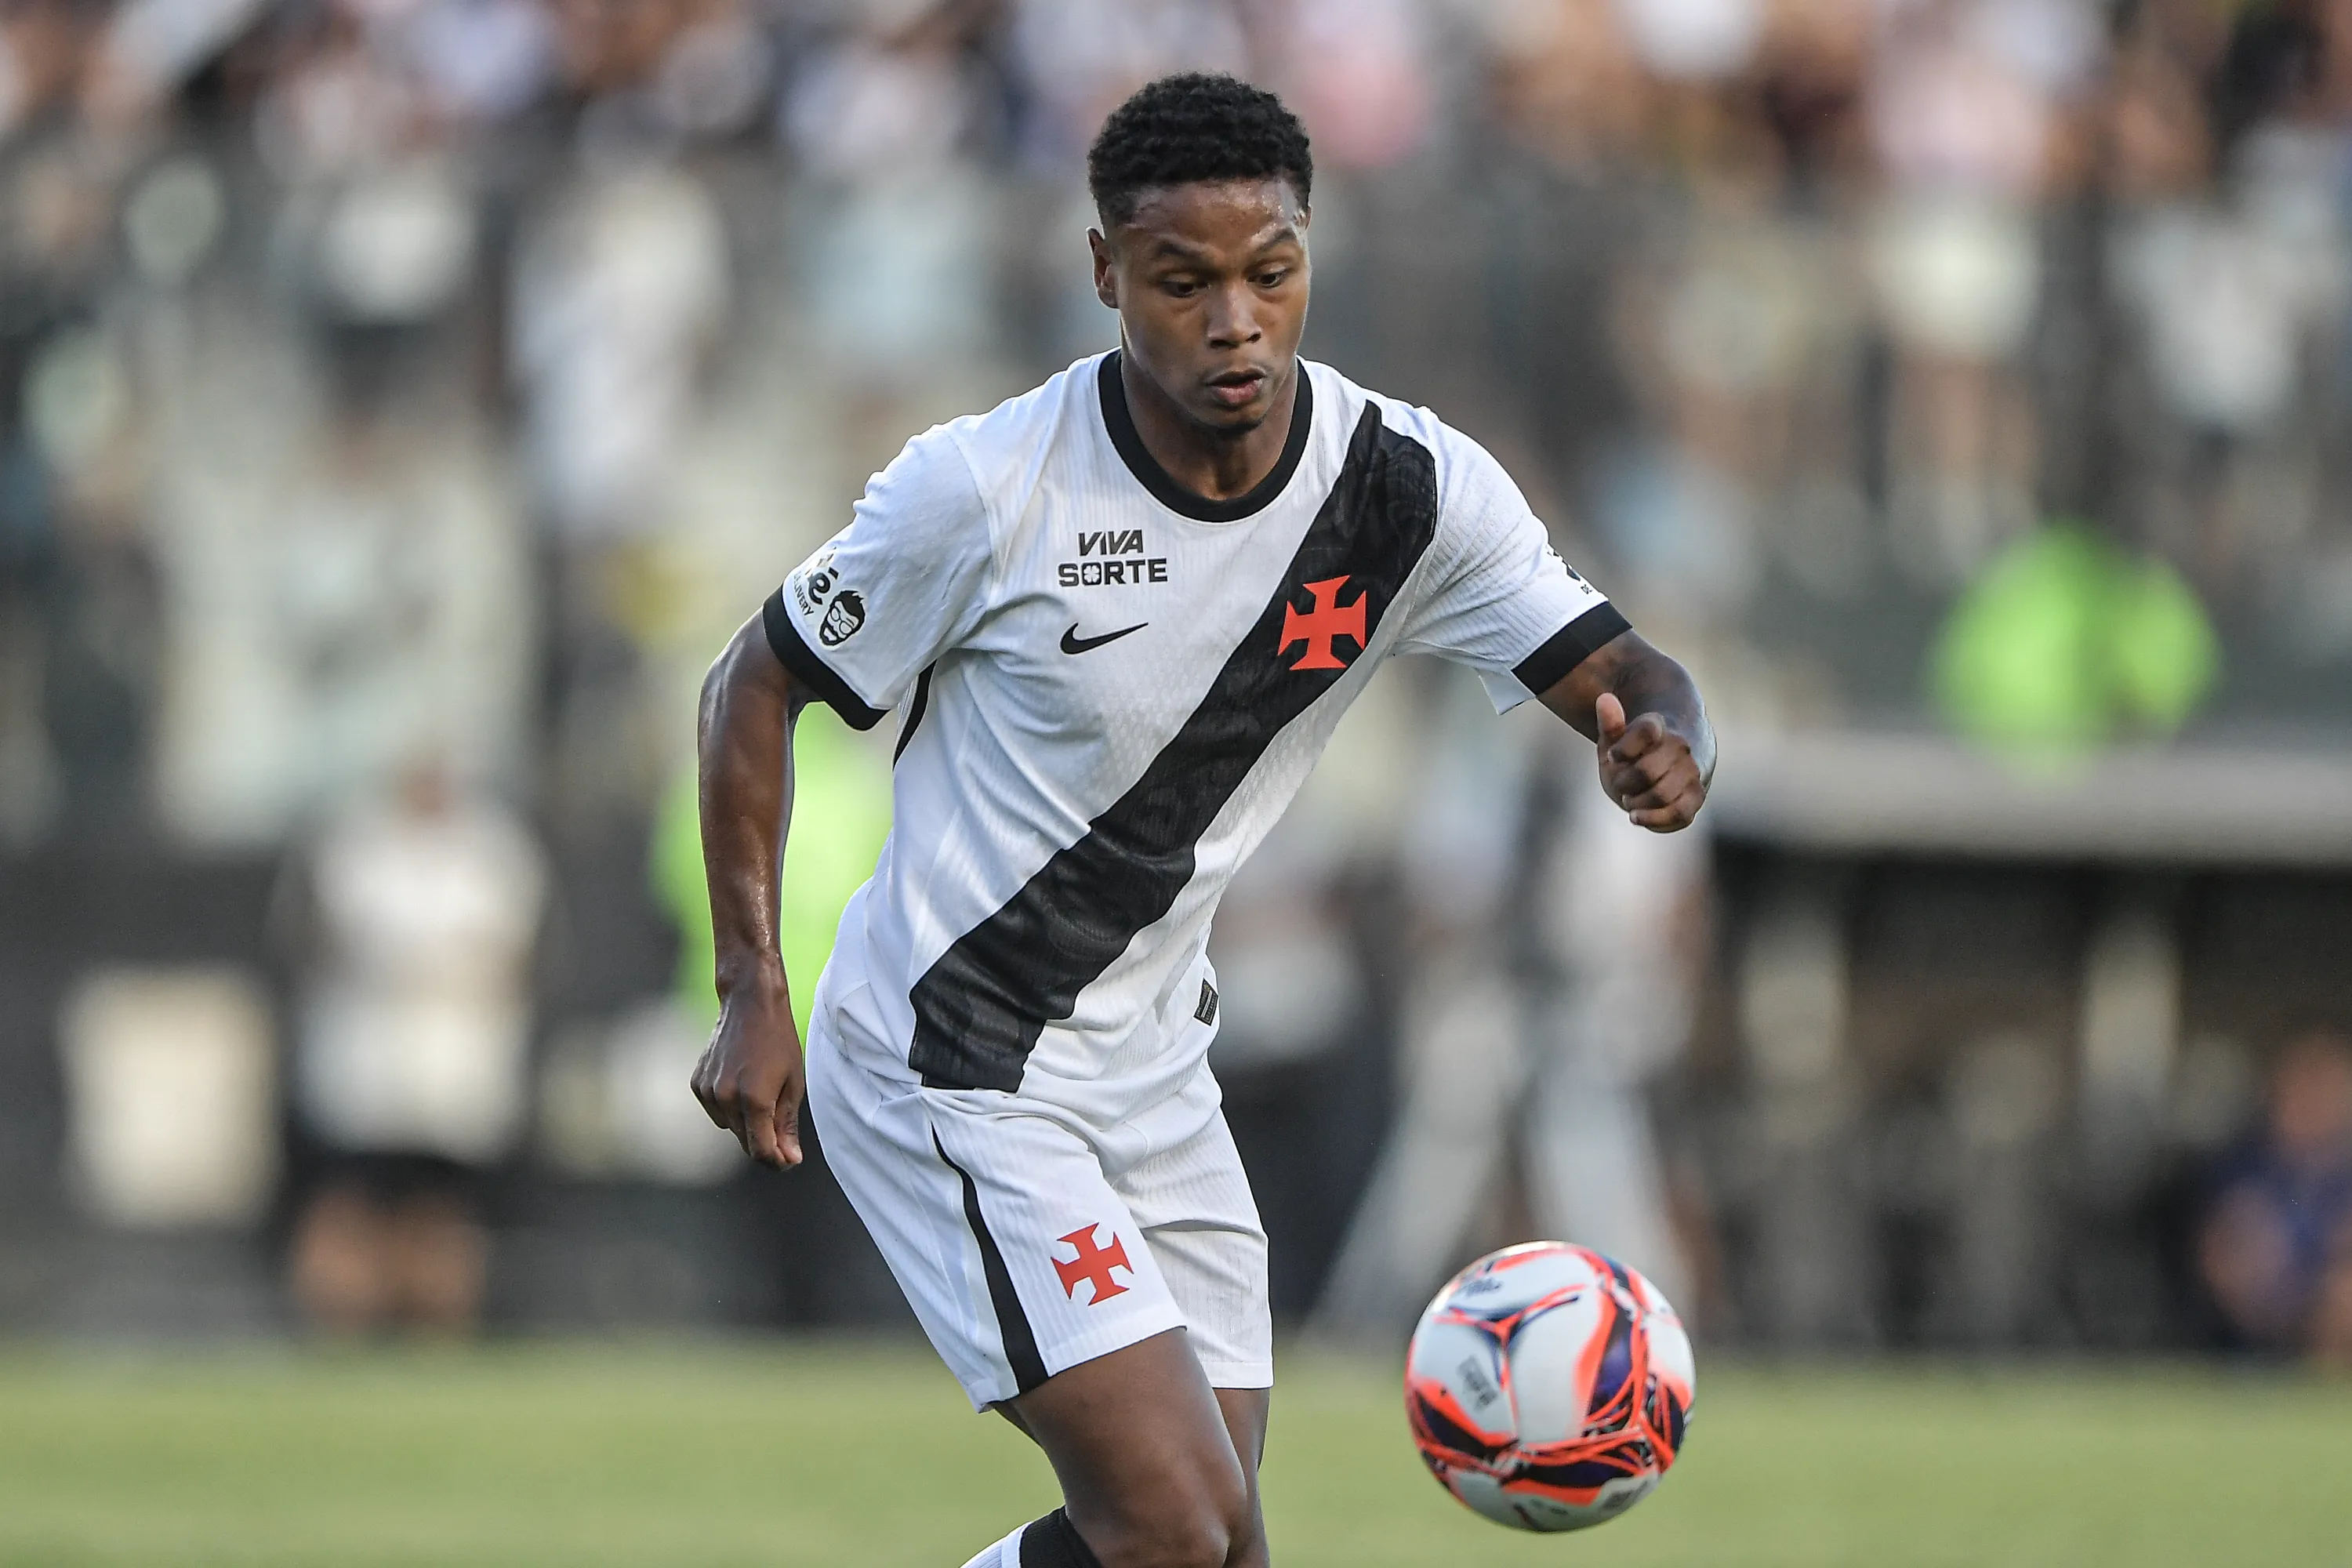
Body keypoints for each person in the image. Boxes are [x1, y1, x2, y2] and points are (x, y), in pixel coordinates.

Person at [690, 74, 1713, 1568]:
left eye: (1271, 272)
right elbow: (750, 683)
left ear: (1310, 257)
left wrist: (1666, 739)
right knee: (1172, 1526)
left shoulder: (1403, 492)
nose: (1236, 318)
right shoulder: (985, 490)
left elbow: (1622, 667)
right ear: (1106, 272)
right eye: (1184, 280)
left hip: (1156, 1064)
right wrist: (752, 988)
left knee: (1211, 1549)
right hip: (956, 1055)